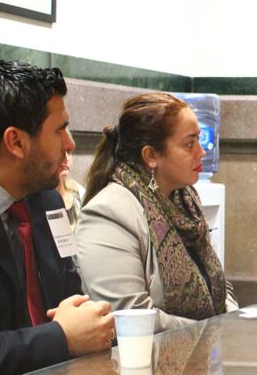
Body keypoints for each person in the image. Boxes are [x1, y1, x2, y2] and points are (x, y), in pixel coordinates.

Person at [0, 60, 114, 374]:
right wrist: (59, 339)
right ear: (16, 142)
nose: (70, 144)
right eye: (60, 130)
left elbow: (70, 296)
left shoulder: (46, 200)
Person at [75, 93, 237, 333]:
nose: (202, 152)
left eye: (199, 140)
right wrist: (211, 331)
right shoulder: (108, 213)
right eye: (189, 144)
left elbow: (217, 285)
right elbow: (130, 316)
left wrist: (234, 322)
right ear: (151, 156)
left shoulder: (185, 201)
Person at [56, 132, 86, 231]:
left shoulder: (80, 193)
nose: (66, 158)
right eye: (60, 151)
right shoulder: (33, 199)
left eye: (68, 152)